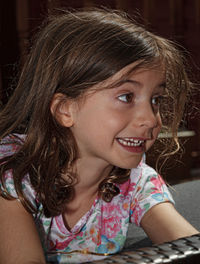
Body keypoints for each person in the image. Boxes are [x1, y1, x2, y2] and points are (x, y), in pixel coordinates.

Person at [0, 8, 198, 264]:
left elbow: (187, 248)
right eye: (126, 97)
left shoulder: (136, 182)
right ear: (65, 109)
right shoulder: (13, 174)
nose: (151, 119)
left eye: (156, 99)